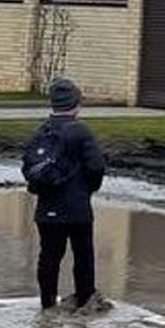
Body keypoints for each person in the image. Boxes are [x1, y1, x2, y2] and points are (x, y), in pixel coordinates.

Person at [25, 76, 106, 310]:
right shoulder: (81, 131)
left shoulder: (42, 132)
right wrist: (87, 190)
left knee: (49, 256)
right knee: (83, 255)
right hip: (77, 208)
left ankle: (47, 305)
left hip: (46, 208)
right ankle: (85, 301)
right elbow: (96, 167)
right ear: (76, 104)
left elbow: (28, 168)